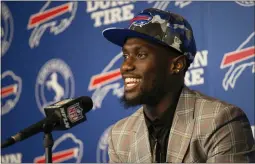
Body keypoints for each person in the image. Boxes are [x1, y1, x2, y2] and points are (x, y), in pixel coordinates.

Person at [102, 8, 255, 163]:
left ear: (176, 65)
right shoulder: (120, 135)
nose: (125, 66)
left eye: (141, 55)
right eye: (125, 56)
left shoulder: (220, 121)